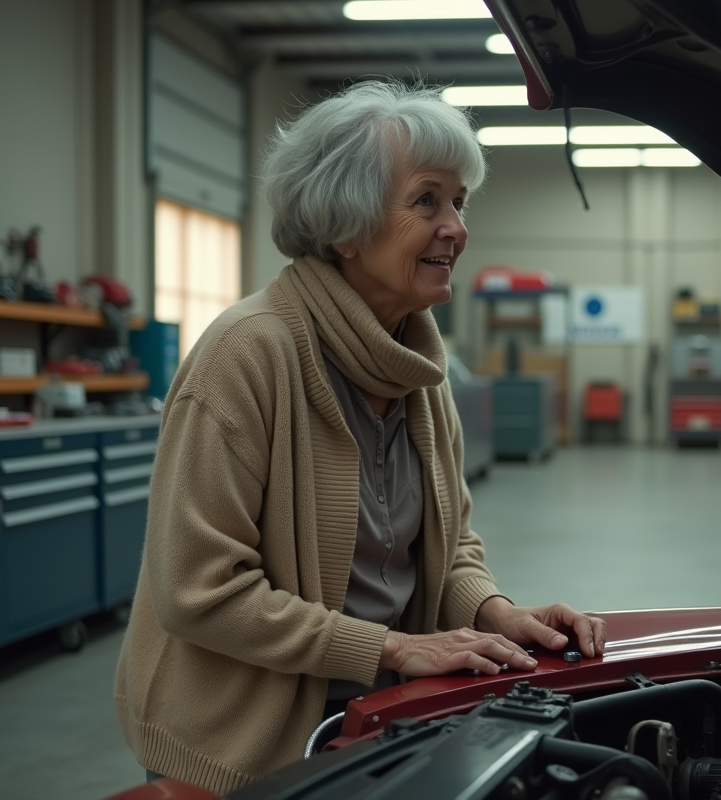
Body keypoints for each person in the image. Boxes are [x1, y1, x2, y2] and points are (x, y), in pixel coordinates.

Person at [113, 80, 606, 795]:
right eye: (426, 200)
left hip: (369, 721)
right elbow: (199, 589)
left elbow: (450, 544)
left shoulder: (417, 371)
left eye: (460, 202)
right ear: (343, 226)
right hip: (237, 750)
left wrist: (497, 613)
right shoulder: (247, 355)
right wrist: (396, 647)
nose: (456, 228)